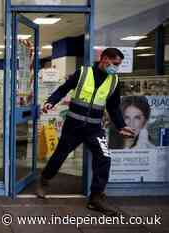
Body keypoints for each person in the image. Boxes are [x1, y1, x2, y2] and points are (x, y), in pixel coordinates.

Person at [37, 48, 135, 216]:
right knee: (60, 155)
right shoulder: (83, 73)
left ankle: (96, 198)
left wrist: (121, 126)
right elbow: (63, 89)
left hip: (95, 129)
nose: (116, 68)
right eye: (114, 64)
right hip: (73, 126)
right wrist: (51, 101)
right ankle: (44, 180)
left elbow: (113, 107)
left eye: (118, 65)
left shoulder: (114, 81)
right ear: (104, 59)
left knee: (104, 158)